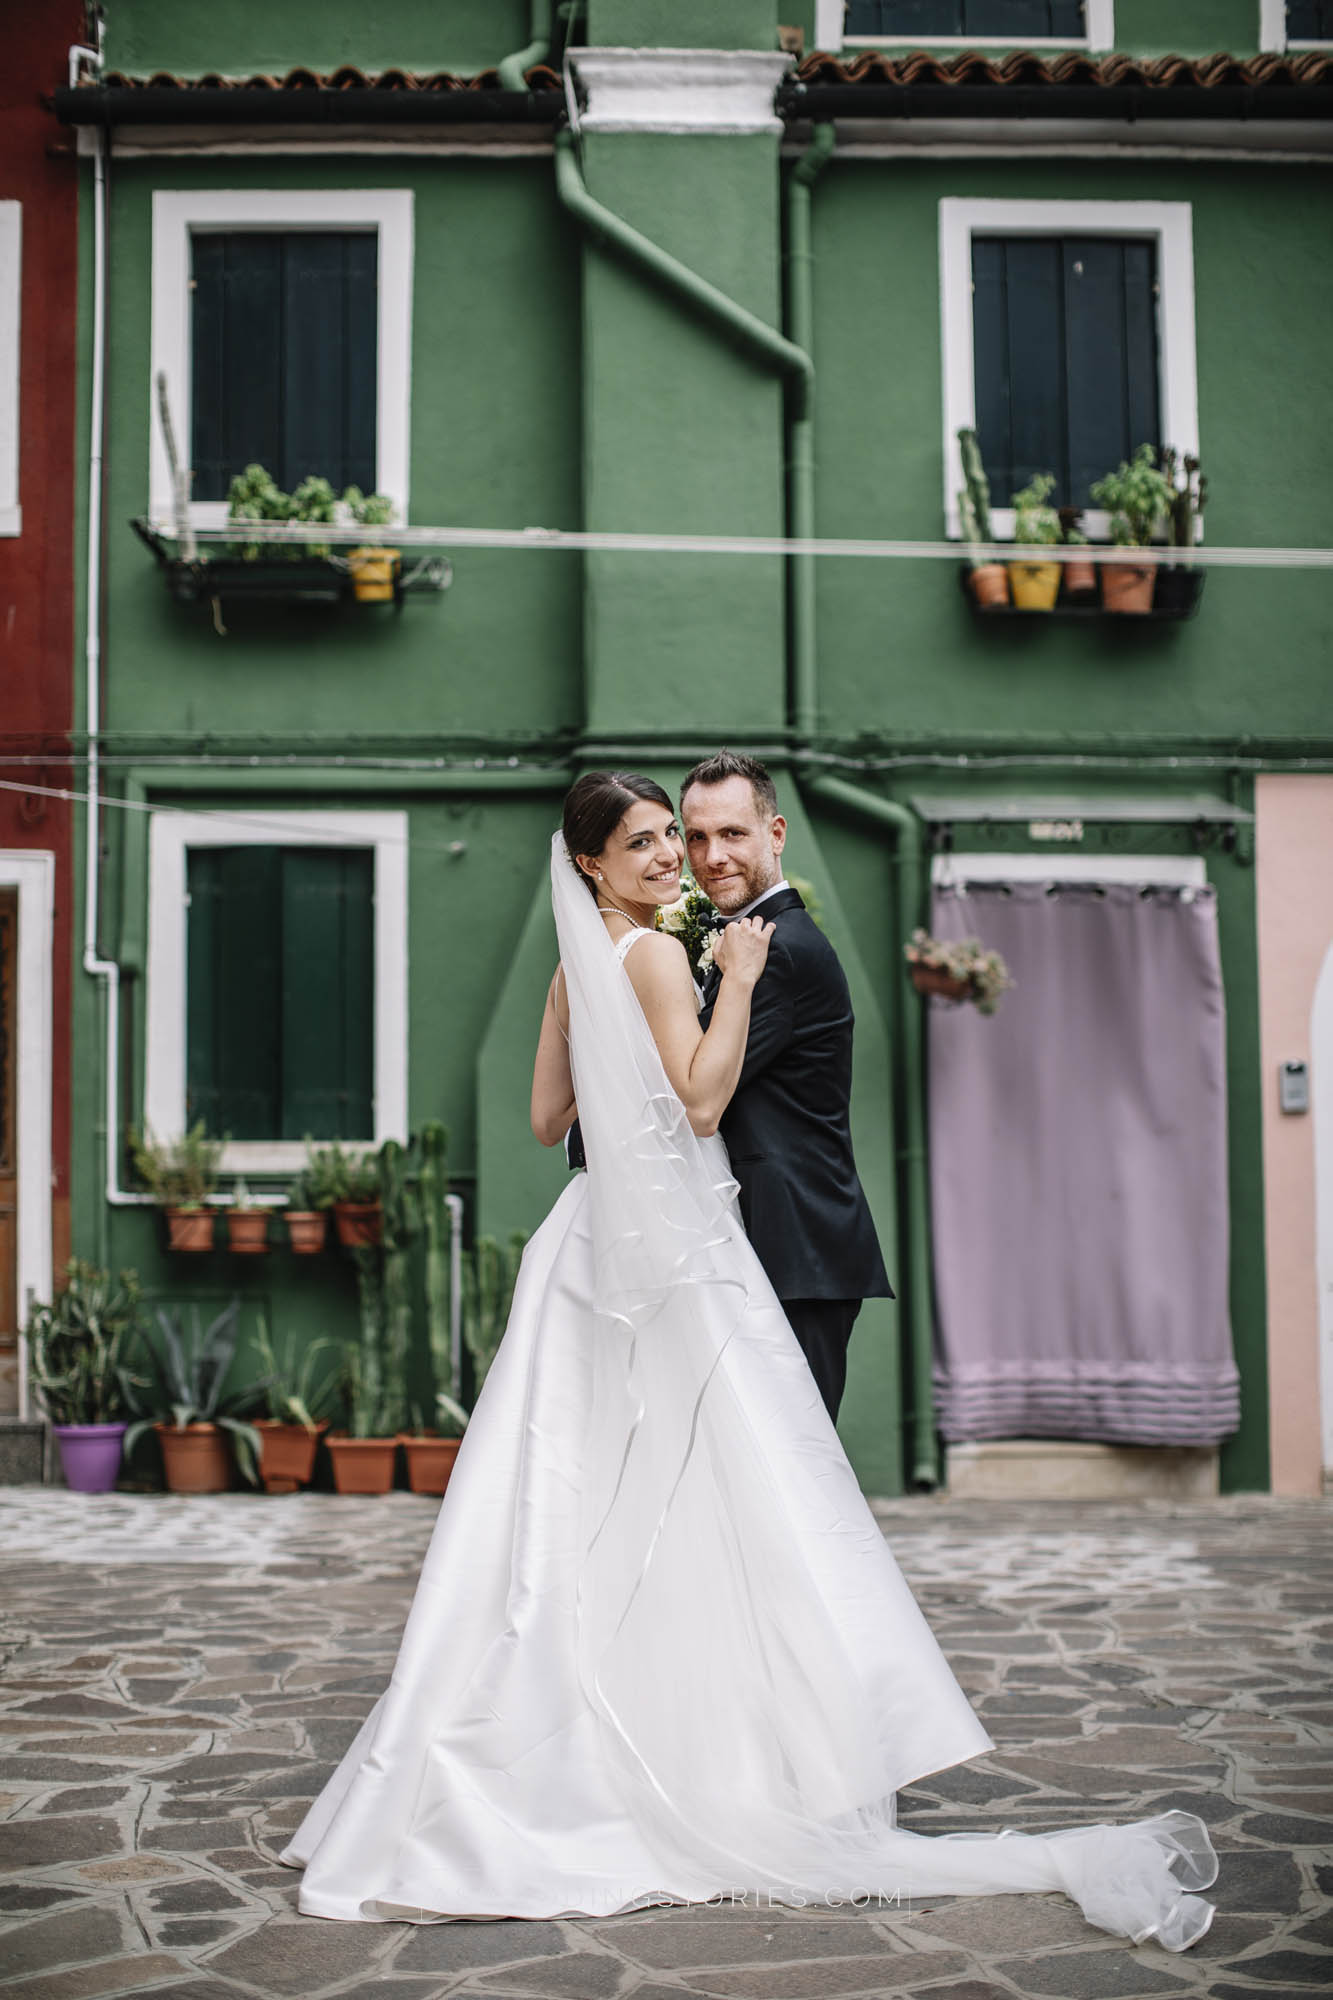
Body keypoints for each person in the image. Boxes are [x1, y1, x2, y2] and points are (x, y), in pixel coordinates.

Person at [281, 771, 1216, 1948]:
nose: (676, 852)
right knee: (739, 1508)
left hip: (584, 1249)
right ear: (593, 863)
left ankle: (612, 1740)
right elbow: (708, 1101)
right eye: (652, 838)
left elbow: (542, 1120)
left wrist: (648, 1059)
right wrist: (742, 985)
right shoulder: (680, 958)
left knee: (580, 1506)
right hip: (678, 1257)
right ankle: (731, 1758)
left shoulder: (582, 966)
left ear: (758, 831)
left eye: (683, 832)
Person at [679, 750, 891, 1421]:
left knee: (795, 1473)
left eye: (733, 834)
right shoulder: (747, 941)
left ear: (775, 835)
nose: (711, 856)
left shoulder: (779, 951)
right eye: (697, 837)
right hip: (773, 1246)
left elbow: (697, 1096)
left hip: (794, 1251)